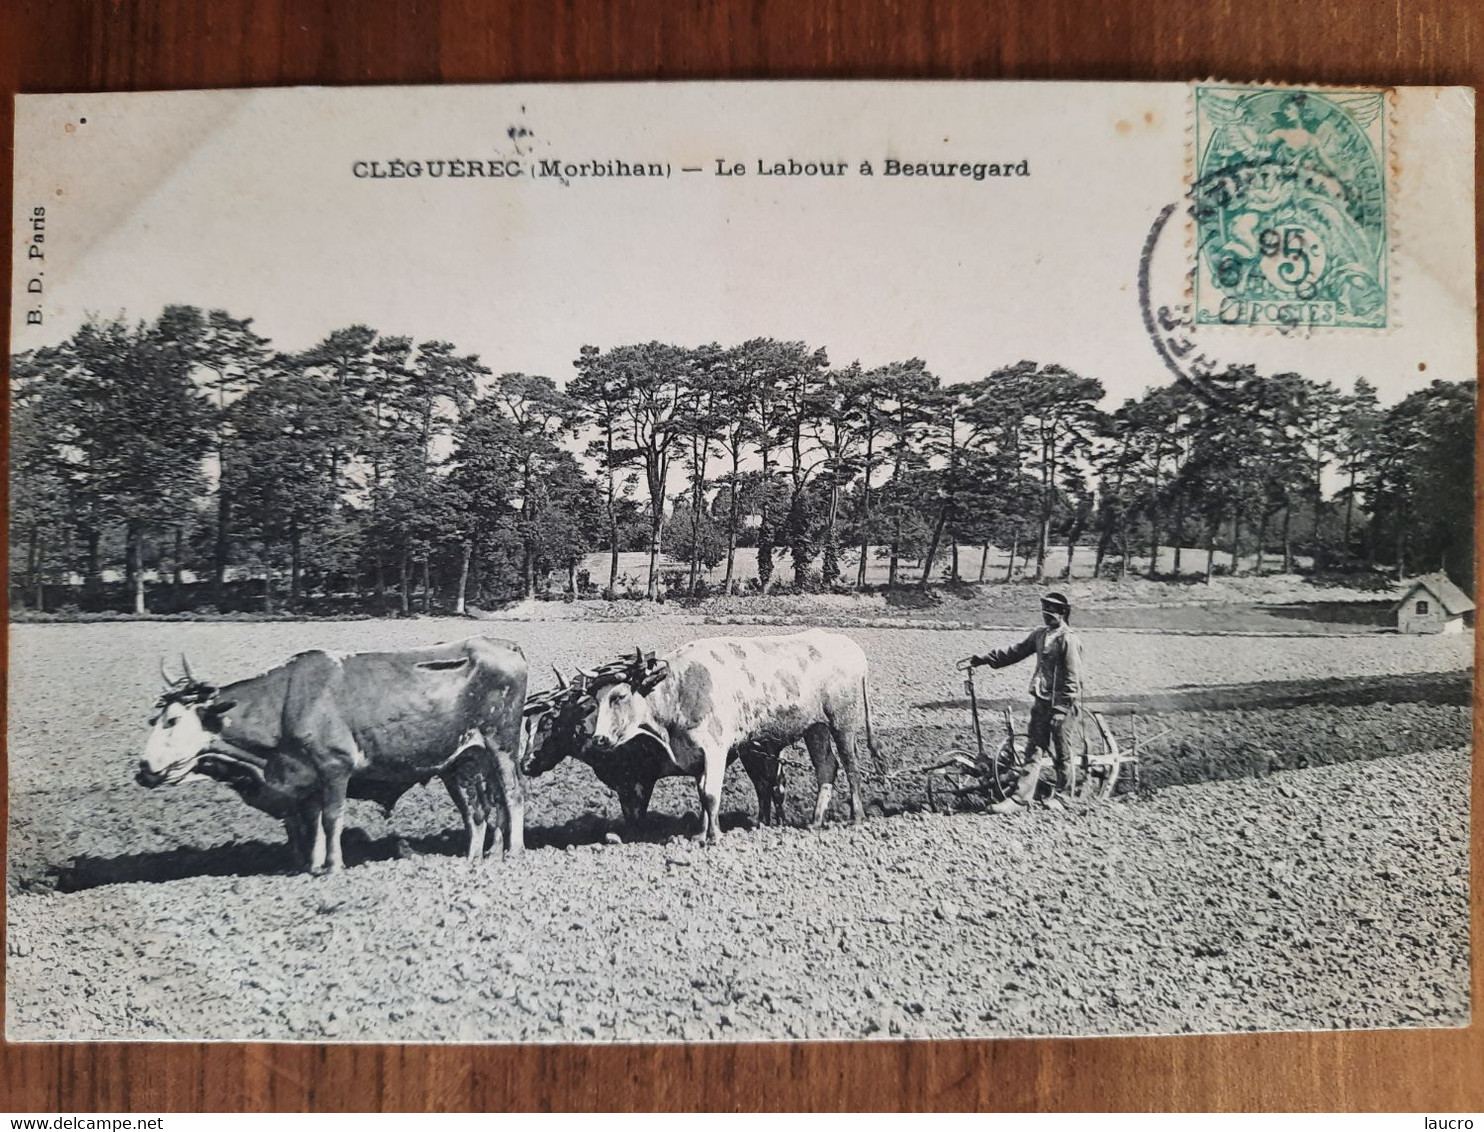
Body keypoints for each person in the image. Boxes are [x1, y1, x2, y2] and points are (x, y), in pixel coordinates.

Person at [968, 590, 1084, 810]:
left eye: (1051, 610)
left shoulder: (1068, 640)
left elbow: (1072, 678)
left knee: (1062, 752)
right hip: (1041, 702)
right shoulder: (1040, 635)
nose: (1046, 614)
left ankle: (1066, 797)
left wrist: (1061, 708)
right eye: (1044, 609)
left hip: (1063, 706)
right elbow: (1016, 651)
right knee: (1034, 749)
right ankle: (1021, 799)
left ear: (1062, 613)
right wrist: (985, 659)